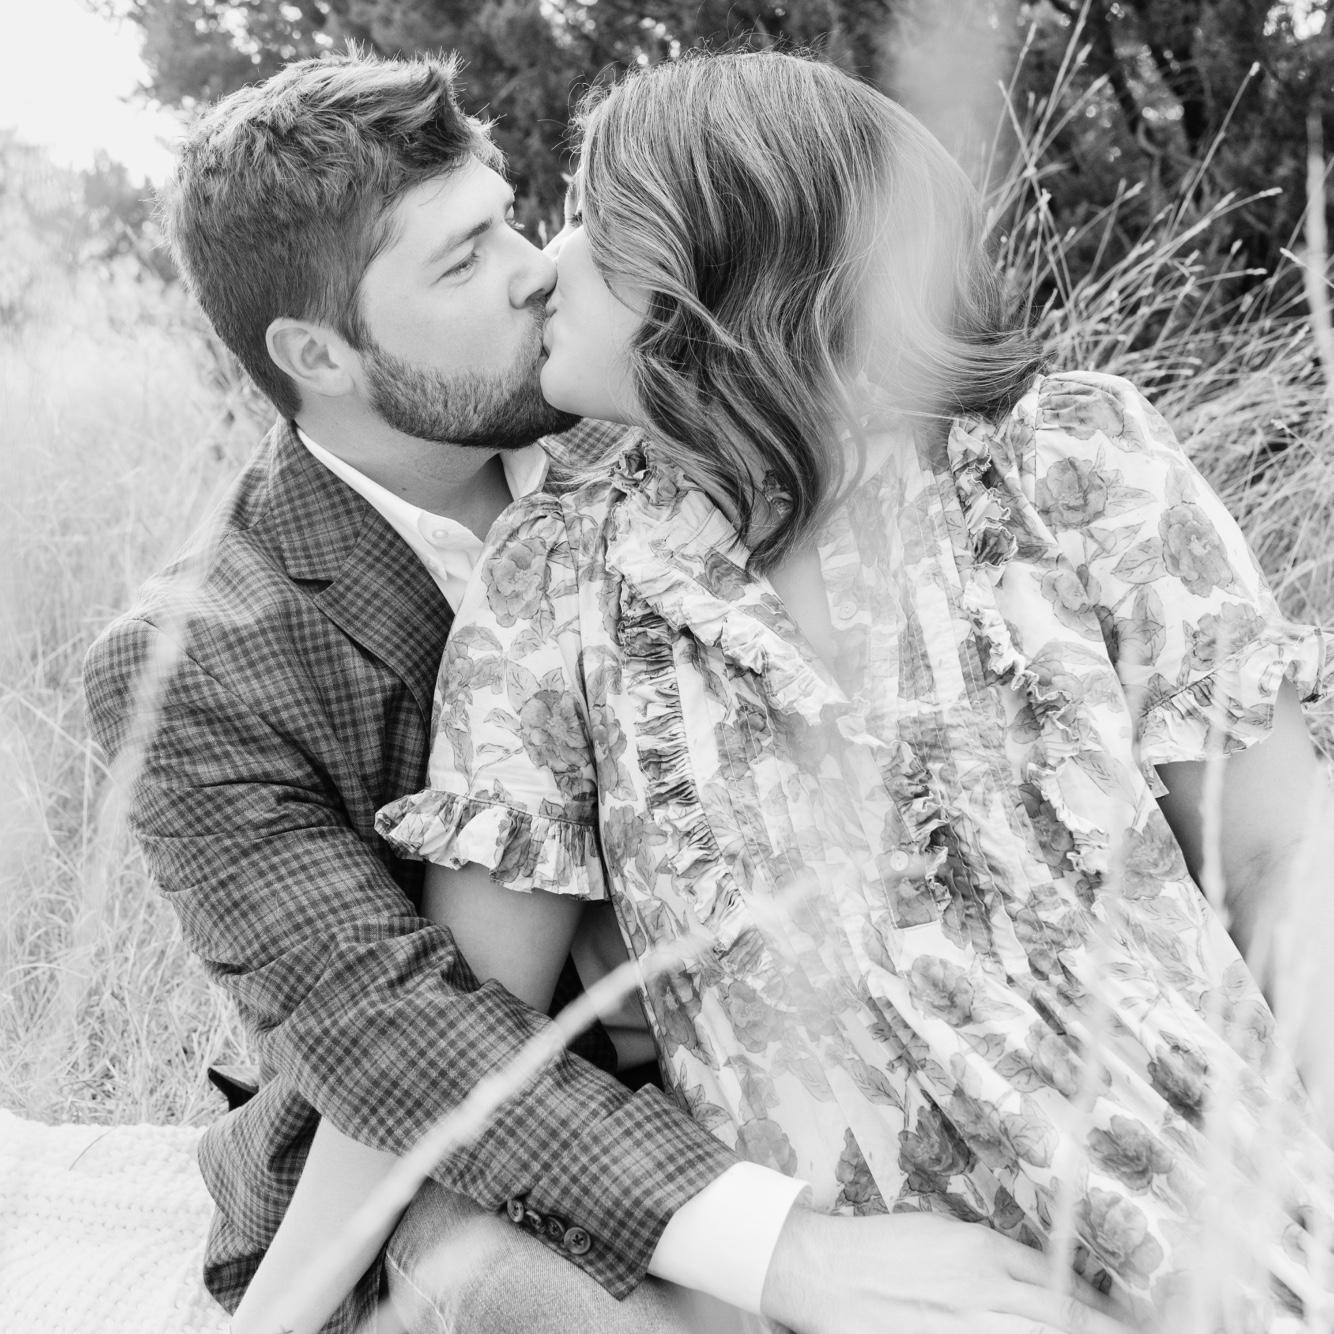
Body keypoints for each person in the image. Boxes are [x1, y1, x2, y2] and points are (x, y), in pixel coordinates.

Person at [80, 47, 1135, 1334]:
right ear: (318, 351)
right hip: (459, 1148)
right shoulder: (199, 659)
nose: (532, 267)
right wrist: (784, 1251)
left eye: (507, 216)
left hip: (824, 1061)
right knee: (528, 1297)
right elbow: (388, 1027)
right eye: (461, 262)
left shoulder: (648, 412)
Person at [277, 49, 1334, 1333]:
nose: (545, 264)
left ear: (709, 274)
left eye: (594, 224)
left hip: (1209, 1196)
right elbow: (469, 1023)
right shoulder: (556, 577)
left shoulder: (1067, 458)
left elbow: (1278, 856)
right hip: (864, 1278)